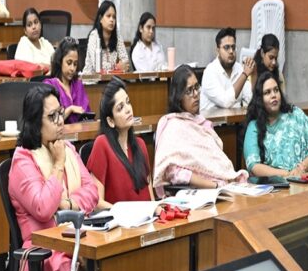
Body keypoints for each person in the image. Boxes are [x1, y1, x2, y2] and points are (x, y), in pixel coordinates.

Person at [8, 84, 98, 271]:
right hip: (44, 253)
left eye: (61, 114)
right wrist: (58, 167)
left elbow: (92, 191)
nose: (61, 122)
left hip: (75, 239)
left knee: (103, 270)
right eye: (53, 117)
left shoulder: (66, 148)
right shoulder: (23, 161)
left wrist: (69, 204)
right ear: (35, 122)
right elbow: (44, 208)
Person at [153, 65, 248, 195]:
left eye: (197, 87)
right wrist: (214, 186)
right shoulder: (173, 127)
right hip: (200, 194)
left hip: (224, 188)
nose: (196, 95)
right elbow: (173, 172)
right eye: (189, 91)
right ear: (178, 96)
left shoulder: (202, 123)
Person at [244, 71, 308, 177]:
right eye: (267, 92)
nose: (273, 95)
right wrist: (286, 174)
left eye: (276, 90)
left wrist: (300, 169)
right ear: (259, 99)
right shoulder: (254, 127)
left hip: (303, 178)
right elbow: (254, 166)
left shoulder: (295, 114)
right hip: (273, 187)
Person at [87, 78, 154, 209]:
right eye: (120, 108)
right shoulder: (102, 144)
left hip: (146, 224)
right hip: (119, 224)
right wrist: (124, 213)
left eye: (128, 102)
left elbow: (150, 198)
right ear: (110, 121)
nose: (128, 109)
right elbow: (97, 202)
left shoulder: (141, 145)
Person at [200, 27, 254, 111]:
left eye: (233, 47)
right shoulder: (210, 72)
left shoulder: (239, 68)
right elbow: (225, 102)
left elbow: (250, 98)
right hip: (214, 123)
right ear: (217, 51)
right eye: (226, 47)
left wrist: (254, 74)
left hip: (237, 122)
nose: (231, 51)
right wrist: (245, 74)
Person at [44, 38, 90, 124]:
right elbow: (50, 121)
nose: (72, 68)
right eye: (69, 63)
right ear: (60, 61)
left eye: (75, 64)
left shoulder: (78, 85)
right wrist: (70, 110)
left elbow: (87, 114)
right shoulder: (49, 85)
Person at [82, 0, 129, 74]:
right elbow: (98, 67)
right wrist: (117, 68)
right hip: (92, 82)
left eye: (114, 17)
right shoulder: (94, 36)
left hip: (110, 81)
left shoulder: (117, 36)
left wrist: (118, 68)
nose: (112, 20)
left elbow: (125, 62)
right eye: (108, 16)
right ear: (100, 19)